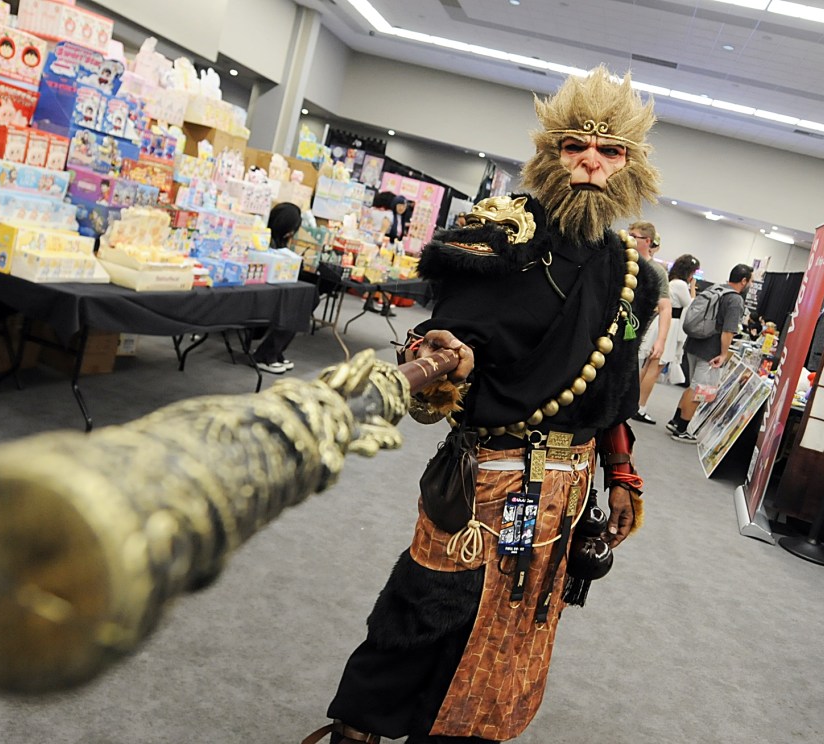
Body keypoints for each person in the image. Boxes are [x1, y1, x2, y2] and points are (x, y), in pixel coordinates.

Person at [304, 65, 661, 744]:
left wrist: (621, 476)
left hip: (562, 489)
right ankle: (359, 726)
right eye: (576, 145)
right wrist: (446, 359)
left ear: (630, 165)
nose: (592, 159)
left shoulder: (635, 280)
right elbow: (448, 337)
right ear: (551, 154)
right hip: (484, 477)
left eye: (610, 149)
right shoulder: (496, 242)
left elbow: (613, 389)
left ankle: (462, 732)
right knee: (431, 604)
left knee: (517, 621)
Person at [666, 263, 753, 443]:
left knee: (693, 386)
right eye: (750, 281)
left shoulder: (717, 288)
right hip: (710, 351)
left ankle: (676, 421)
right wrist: (723, 354)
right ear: (744, 281)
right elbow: (728, 331)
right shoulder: (735, 300)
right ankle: (681, 429)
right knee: (699, 390)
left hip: (694, 343)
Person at [251, 203, 304, 374]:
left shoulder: (277, 242)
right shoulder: (264, 240)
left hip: (269, 292)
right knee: (296, 304)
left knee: (302, 300)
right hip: (259, 294)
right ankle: (266, 355)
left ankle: (275, 351)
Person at [630, 221, 671, 424]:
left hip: (635, 334)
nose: (629, 239)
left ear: (647, 241)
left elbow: (665, 307)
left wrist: (661, 341)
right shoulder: (621, 260)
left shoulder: (656, 272)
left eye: (634, 236)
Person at [662, 254, 701, 385]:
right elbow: (690, 305)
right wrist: (693, 288)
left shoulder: (673, 281)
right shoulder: (680, 284)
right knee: (657, 365)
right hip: (671, 324)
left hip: (668, 322)